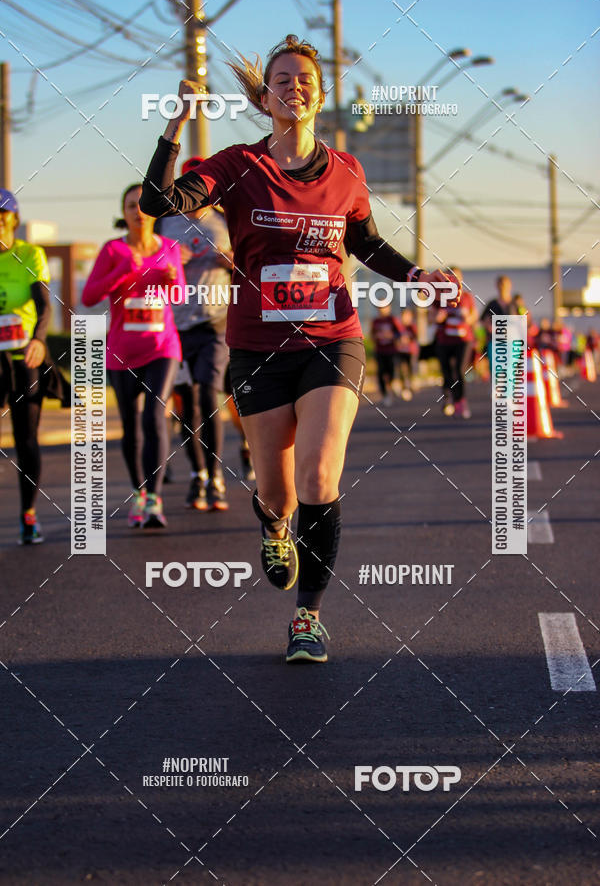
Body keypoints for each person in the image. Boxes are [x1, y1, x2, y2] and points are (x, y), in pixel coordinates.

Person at [140, 34, 459, 662]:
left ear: (320, 93)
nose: (294, 88)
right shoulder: (237, 166)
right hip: (258, 346)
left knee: (319, 474)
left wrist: (415, 276)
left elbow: (366, 242)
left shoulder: (346, 172)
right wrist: (176, 123)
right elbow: (158, 205)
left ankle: (307, 617)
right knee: (277, 492)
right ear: (265, 97)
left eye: (304, 79)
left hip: (331, 340)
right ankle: (276, 525)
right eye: (281, 80)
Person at [82, 184, 184, 528]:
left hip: (162, 347)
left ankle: (154, 499)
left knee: (155, 415)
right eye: (130, 206)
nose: (138, 212)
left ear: (153, 212)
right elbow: (90, 294)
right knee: (131, 427)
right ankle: (139, 492)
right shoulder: (113, 250)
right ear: (123, 213)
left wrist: (169, 280)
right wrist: (126, 272)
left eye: (143, 205)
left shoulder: (170, 247)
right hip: (122, 352)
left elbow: (180, 294)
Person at [158, 156, 233, 511]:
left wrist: (232, 262)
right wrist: (169, 262)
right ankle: (198, 473)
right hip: (177, 323)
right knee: (187, 403)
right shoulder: (166, 223)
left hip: (215, 322)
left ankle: (216, 475)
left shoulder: (226, 220)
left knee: (208, 393)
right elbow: (151, 267)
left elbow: (251, 262)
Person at [0, 188, 51, 544]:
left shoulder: (29, 254)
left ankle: (28, 516)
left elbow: (44, 305)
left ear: (13, 220)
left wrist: (38, 339)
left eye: (2, 217)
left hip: (24, 357)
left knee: (25, 440)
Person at [434, 266, 477, 418]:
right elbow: (431, 318)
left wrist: (467, 318)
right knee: (446, 371)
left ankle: (460, 401)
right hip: (444, 340)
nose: (453, 280)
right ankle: (447, 399)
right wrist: (439, 317)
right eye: (450, 277)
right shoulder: (439, 297)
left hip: (463, 340)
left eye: (456, 277)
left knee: (459, 370)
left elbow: (474, 318)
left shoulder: (466, 297)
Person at [481, 275, 518, 364]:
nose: (503, 287)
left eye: (505, 284)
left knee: (510, 371)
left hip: (511, 342)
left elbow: (524, 322)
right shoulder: (492, 304)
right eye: (500, 284)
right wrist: (492, 329)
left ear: (510, 285)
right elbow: (483, 320)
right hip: (494, 342)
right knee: (496, 371)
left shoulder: (515, 304)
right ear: (497, 286)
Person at [370, 302, 401, 406]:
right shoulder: (376, 321)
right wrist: (377, 337)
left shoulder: (392, 320)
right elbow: (372, 335)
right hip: (380, 351)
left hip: (391, 350)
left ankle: (392, 387)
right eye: (380, 307)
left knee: (391, 371)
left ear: (389, 308)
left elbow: (399, 333)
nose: (382, 309)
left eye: (384, 307)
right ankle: (385, 395)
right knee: (381, 373)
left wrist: (392, 336)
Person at [395, 308, 418, 400]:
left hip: (410, 352)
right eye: (404, 316)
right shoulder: (399, 327)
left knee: (411, 368)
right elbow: (395, 336)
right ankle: (404, 387)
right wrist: (399, 340)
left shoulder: (412, 327)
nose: (406, 318)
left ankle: (411, 383)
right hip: (401, 351)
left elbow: (415, 336)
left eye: (408, 316)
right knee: (401, 369)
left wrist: (408, 339)